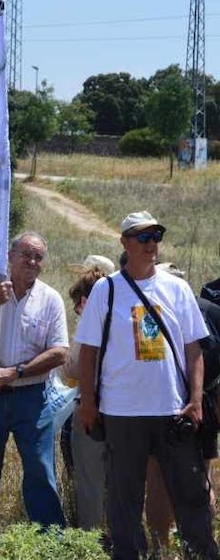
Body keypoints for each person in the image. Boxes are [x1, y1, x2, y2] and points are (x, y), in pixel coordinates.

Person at [77, 212, 219, 560]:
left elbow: (193, 348)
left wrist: (196, 399)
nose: (151, 244)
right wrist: (89, 402)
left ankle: (201, 554)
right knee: (124, 498)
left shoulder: (177, 288)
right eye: (143, 237)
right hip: (122, 412)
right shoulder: (106, 290)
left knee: (191, 495)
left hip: (173, 410)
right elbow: (89, 352)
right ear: (125, 243)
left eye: (156, 236)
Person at [0, 231, 68, 532]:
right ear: (9, 256)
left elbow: (60, 352)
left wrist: (17, 372)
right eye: (26, 254)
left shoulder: (50, 299)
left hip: (32, 398)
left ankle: (50, 539)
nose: (32, 261)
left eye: (38, 257)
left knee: (39, 468)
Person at [62, 258, 113, 531]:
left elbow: (72, 367)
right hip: (125, 411)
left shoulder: (91, 324)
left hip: (91, 410)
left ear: (84, 300)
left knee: (90, 481)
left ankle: (89, 542)